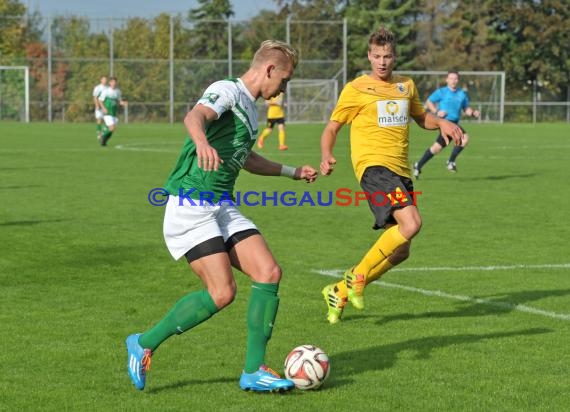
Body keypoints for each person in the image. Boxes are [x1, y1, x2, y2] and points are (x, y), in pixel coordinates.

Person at [125, 40, 318, 392]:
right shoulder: (227, 90)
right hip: (190, 204)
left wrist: (292, 172)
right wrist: (201, 142)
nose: (284, 88)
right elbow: (194, 116)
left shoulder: (251, 108)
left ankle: (252, 371)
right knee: (221, 293)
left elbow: (247, 159)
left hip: (221, 204)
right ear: (269, 69)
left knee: (269, 272)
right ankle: (144, 342)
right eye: (285, 80)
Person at [319, 27, 463, 324]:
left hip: (400, 170)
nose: (382, 62)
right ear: (369, 56)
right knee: (412, 223)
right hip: (373, 167)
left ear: (394, 56)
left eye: (387, 56)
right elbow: (332, 127)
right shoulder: (356, 88)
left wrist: (441, 124)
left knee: (401, 251)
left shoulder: (405, 86)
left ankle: (340, 291)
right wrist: (327, 154)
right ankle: (356, 274)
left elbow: (421, 117)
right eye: (377, 56)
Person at [413, 70, 480, 177]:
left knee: (436, 148)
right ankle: (450, 162)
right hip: (445, 123)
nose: (453, 81)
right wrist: (436, 111)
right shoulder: (442, 92)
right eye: (451, 78)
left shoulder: (462, 94)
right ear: (447, 80)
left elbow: (465, 109)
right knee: (464, 138)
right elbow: (429, 102)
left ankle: (418, 165)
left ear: (458, 80)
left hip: (454, 123)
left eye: (455, 78)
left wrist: (473, 113)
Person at [98, 76, 127, 146]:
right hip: (107, 112)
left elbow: (119, 101)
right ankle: (102, 137)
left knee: (112, 130)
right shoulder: (106, 91)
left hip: (114, 113)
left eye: (115, 82)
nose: (114, 83)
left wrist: (123, 103)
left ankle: (104, 141)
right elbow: (100, 100)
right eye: (112, 82)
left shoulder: (118, 91)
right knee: (112, 128)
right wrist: (104, 108)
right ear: (110, 83)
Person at [92, 75, 107, 141]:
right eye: (103, 79)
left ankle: (103, 133)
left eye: (105, 79)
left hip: (105, 106)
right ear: (101, 80)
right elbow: (95, 97)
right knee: (99, 120)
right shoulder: (97, 88)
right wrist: (97, 105)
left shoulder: (107, 88)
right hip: (99, 107)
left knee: (107, 121)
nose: (105, 80)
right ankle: (99, 134)